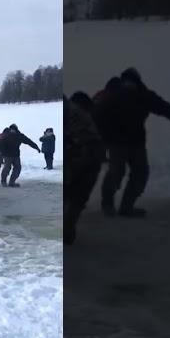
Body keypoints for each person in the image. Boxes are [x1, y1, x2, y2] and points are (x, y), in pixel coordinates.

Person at [94, 67, 170, 217]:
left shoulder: (144, 95)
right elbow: (97, 117)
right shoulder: (112, 96)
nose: (129, 85)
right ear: (123, 82)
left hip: (136, 143)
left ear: (137, 82)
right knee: (116, 173)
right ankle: (107, 204)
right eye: (127, 82)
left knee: (140, 174)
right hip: (116, 142)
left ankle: (126, 207)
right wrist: (99, 139)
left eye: (132, 82)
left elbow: (166, 109)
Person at [63, 97, 105, 245]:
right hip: (91, 154)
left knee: (70, 193)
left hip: (80, 153)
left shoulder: (67, 111)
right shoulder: (78, 112)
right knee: (78, 196)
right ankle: (67, 228)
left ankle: (66, 228)